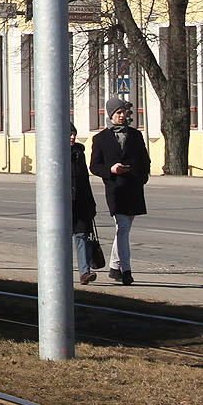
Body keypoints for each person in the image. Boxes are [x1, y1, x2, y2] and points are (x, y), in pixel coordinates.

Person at [89, 96, 150, 285]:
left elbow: (145, 161)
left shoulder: (135, 135)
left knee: (124, 230)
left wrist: (141, 177)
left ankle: (114, 267)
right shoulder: (101, 138)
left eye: (124, 112)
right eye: (118, 113)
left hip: (133, 189)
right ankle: (126, 270)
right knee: (122, 227)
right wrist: (111, 170)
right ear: (111, 115)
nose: (122, 116)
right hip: (115, 190)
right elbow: (94, 166)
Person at [69, 122, 99, 285]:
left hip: (80, 202)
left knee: (81, 236)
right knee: (62, 238)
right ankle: (60, 270)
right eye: (69, 134)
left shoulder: (79, 153)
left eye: (73, 134)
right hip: (63, 204)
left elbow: (84, 180)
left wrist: (91, 203)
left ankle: (84, 272)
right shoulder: (53, 152)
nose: (72, 137)